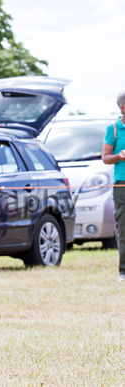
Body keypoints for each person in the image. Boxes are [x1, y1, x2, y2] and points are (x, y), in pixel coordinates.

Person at [102, 90, 125, 283]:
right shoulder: (114, 129)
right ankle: (123, 271)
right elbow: (105, 157)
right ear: (123, 107)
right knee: (124, 228)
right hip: (122, 186)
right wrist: (119, 156)